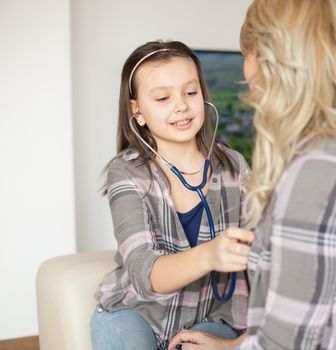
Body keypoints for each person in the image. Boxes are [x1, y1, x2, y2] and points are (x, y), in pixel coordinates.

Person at [168, 0, 336, 349]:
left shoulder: (319, 170)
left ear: (267, 60)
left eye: (246, 54)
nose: (244, 70)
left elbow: (285, 344)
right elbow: (307, 313)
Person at [90, 40, 255, 350]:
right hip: (137, 311)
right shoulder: (126, 173)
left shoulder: (234, 167)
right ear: (137, 110)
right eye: (163, 97)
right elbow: (144, 272)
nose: (181, 105)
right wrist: (211, 254)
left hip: (213, 312)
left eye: (190, 93)